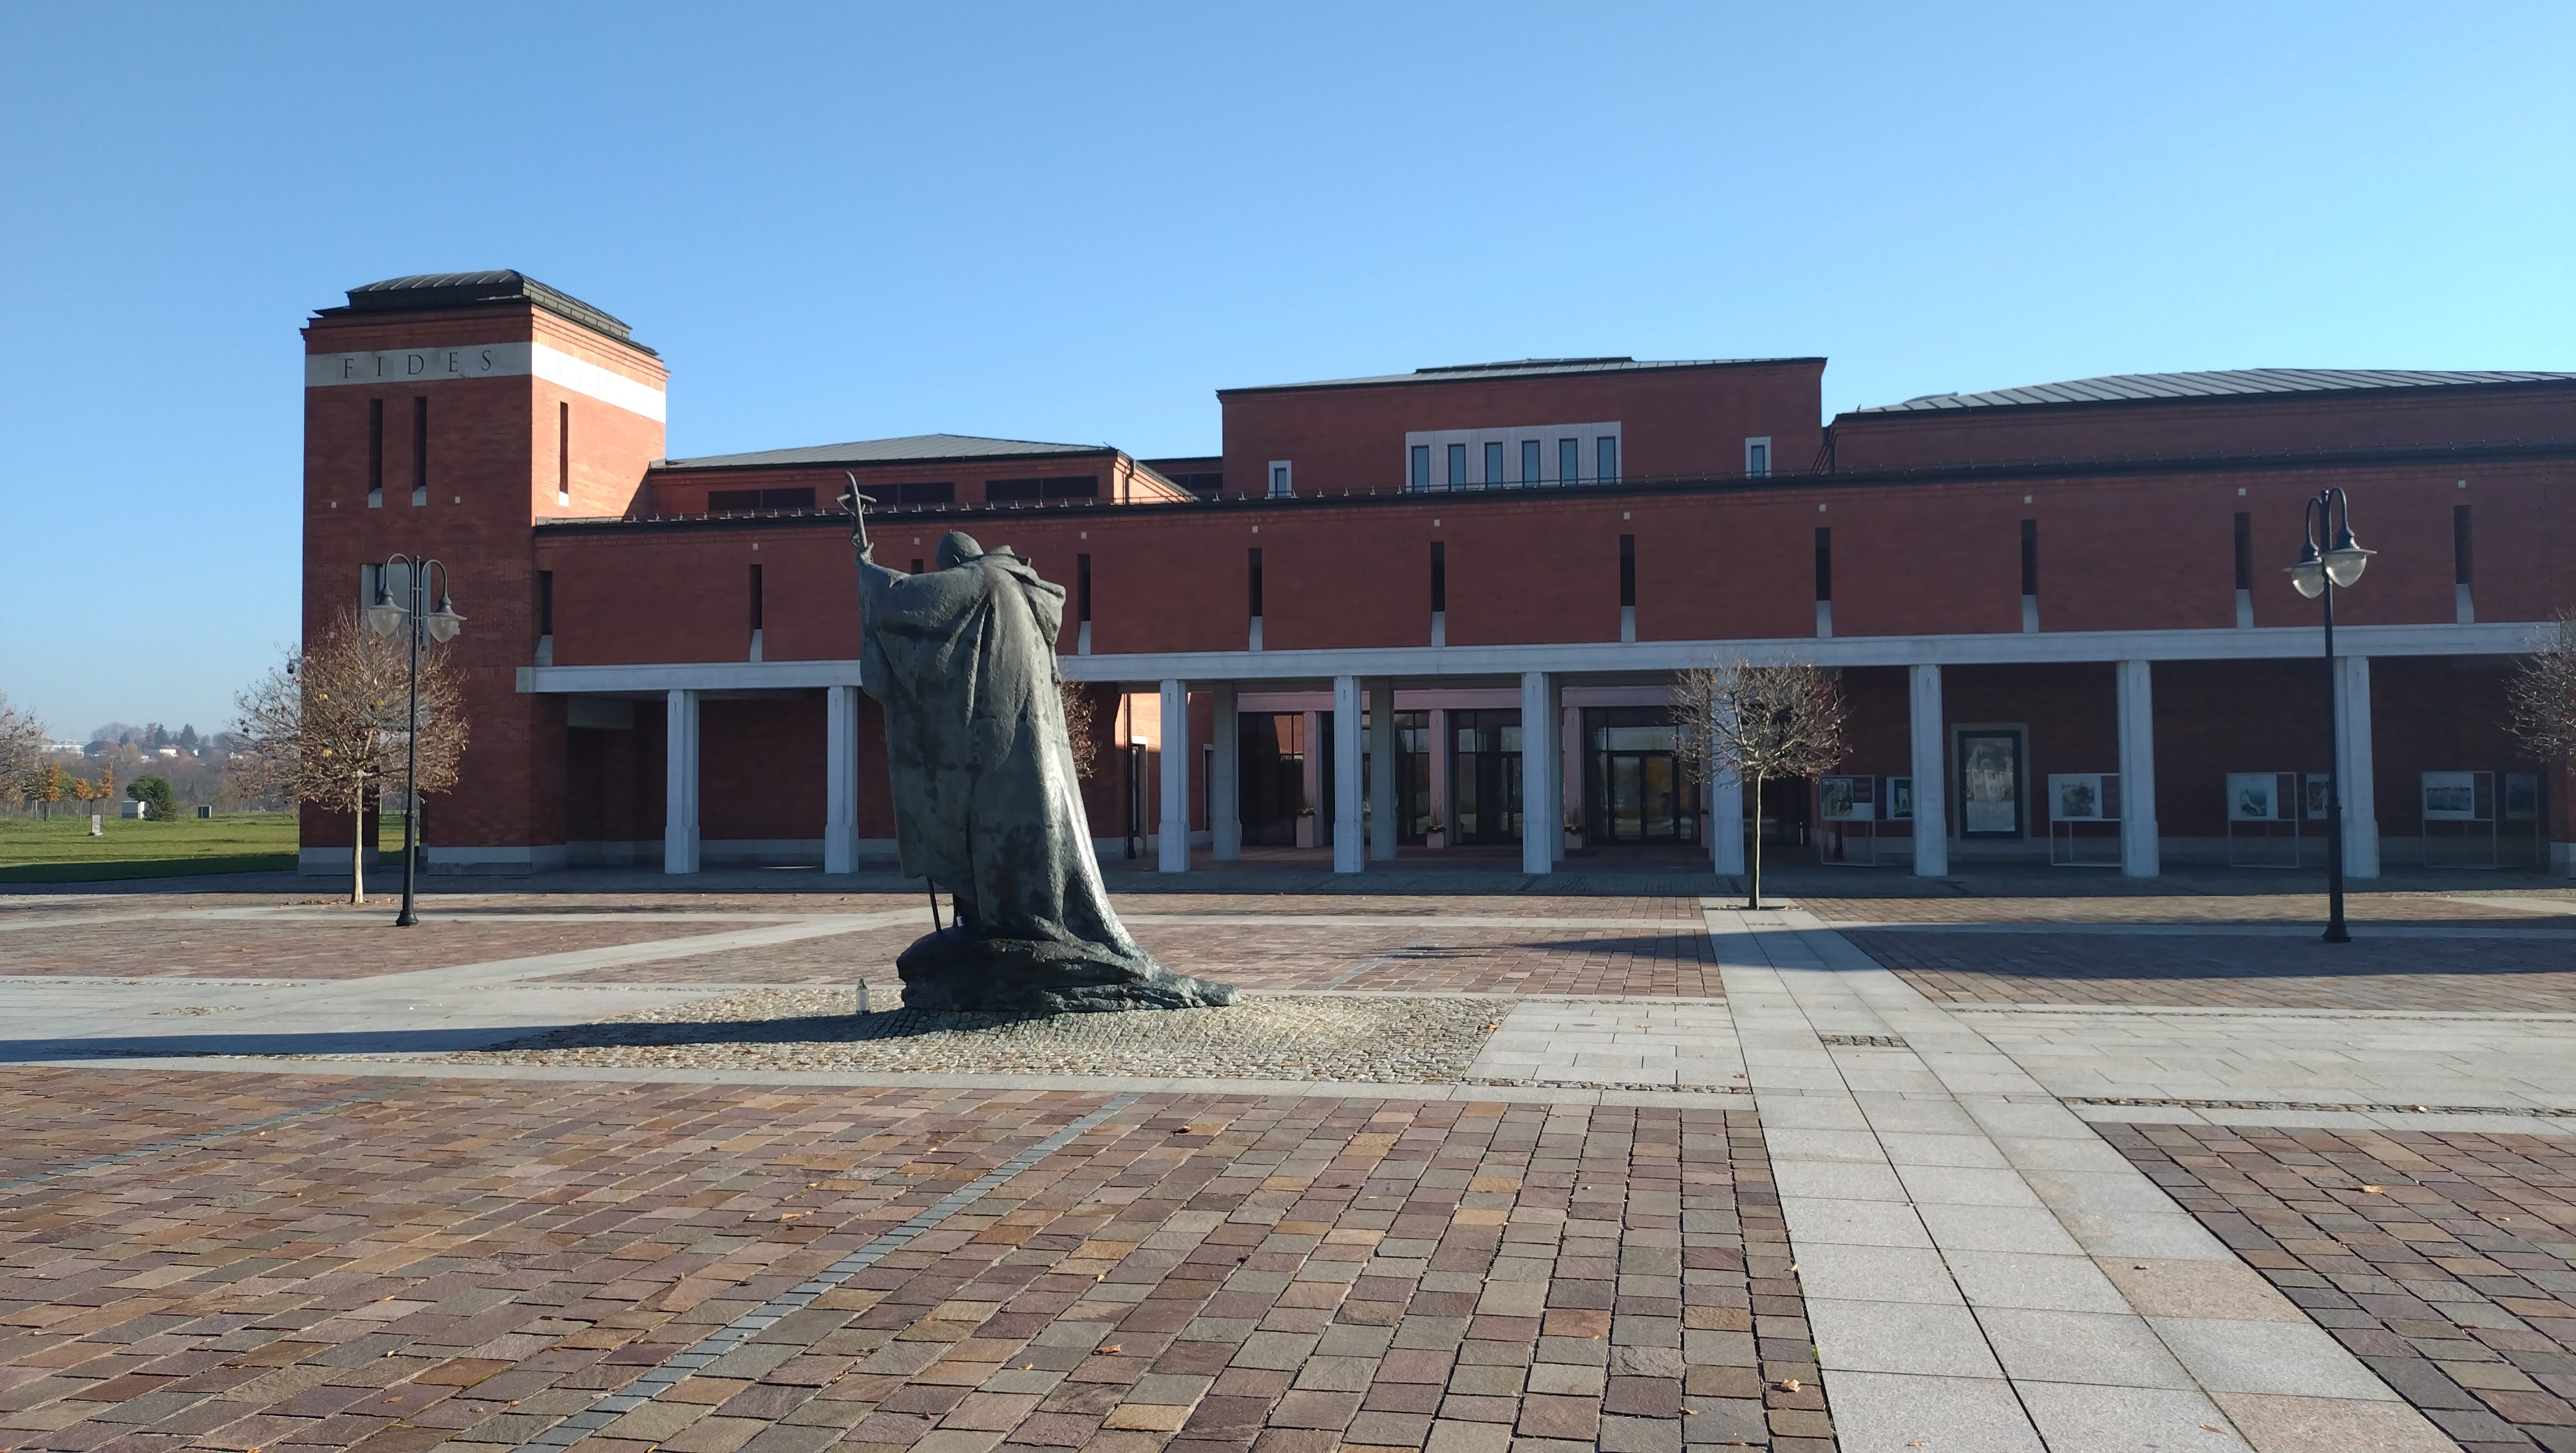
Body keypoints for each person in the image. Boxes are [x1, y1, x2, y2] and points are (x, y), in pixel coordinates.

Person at [850, 487, 1236, 1012]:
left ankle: (1026, 933)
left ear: (958, 564)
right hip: (1032, 745)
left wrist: (869, 571)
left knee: (1008, 841)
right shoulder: (1022, 591)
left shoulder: (984, 580)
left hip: (1005, 746)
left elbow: (911, 600)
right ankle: (1012, 926)